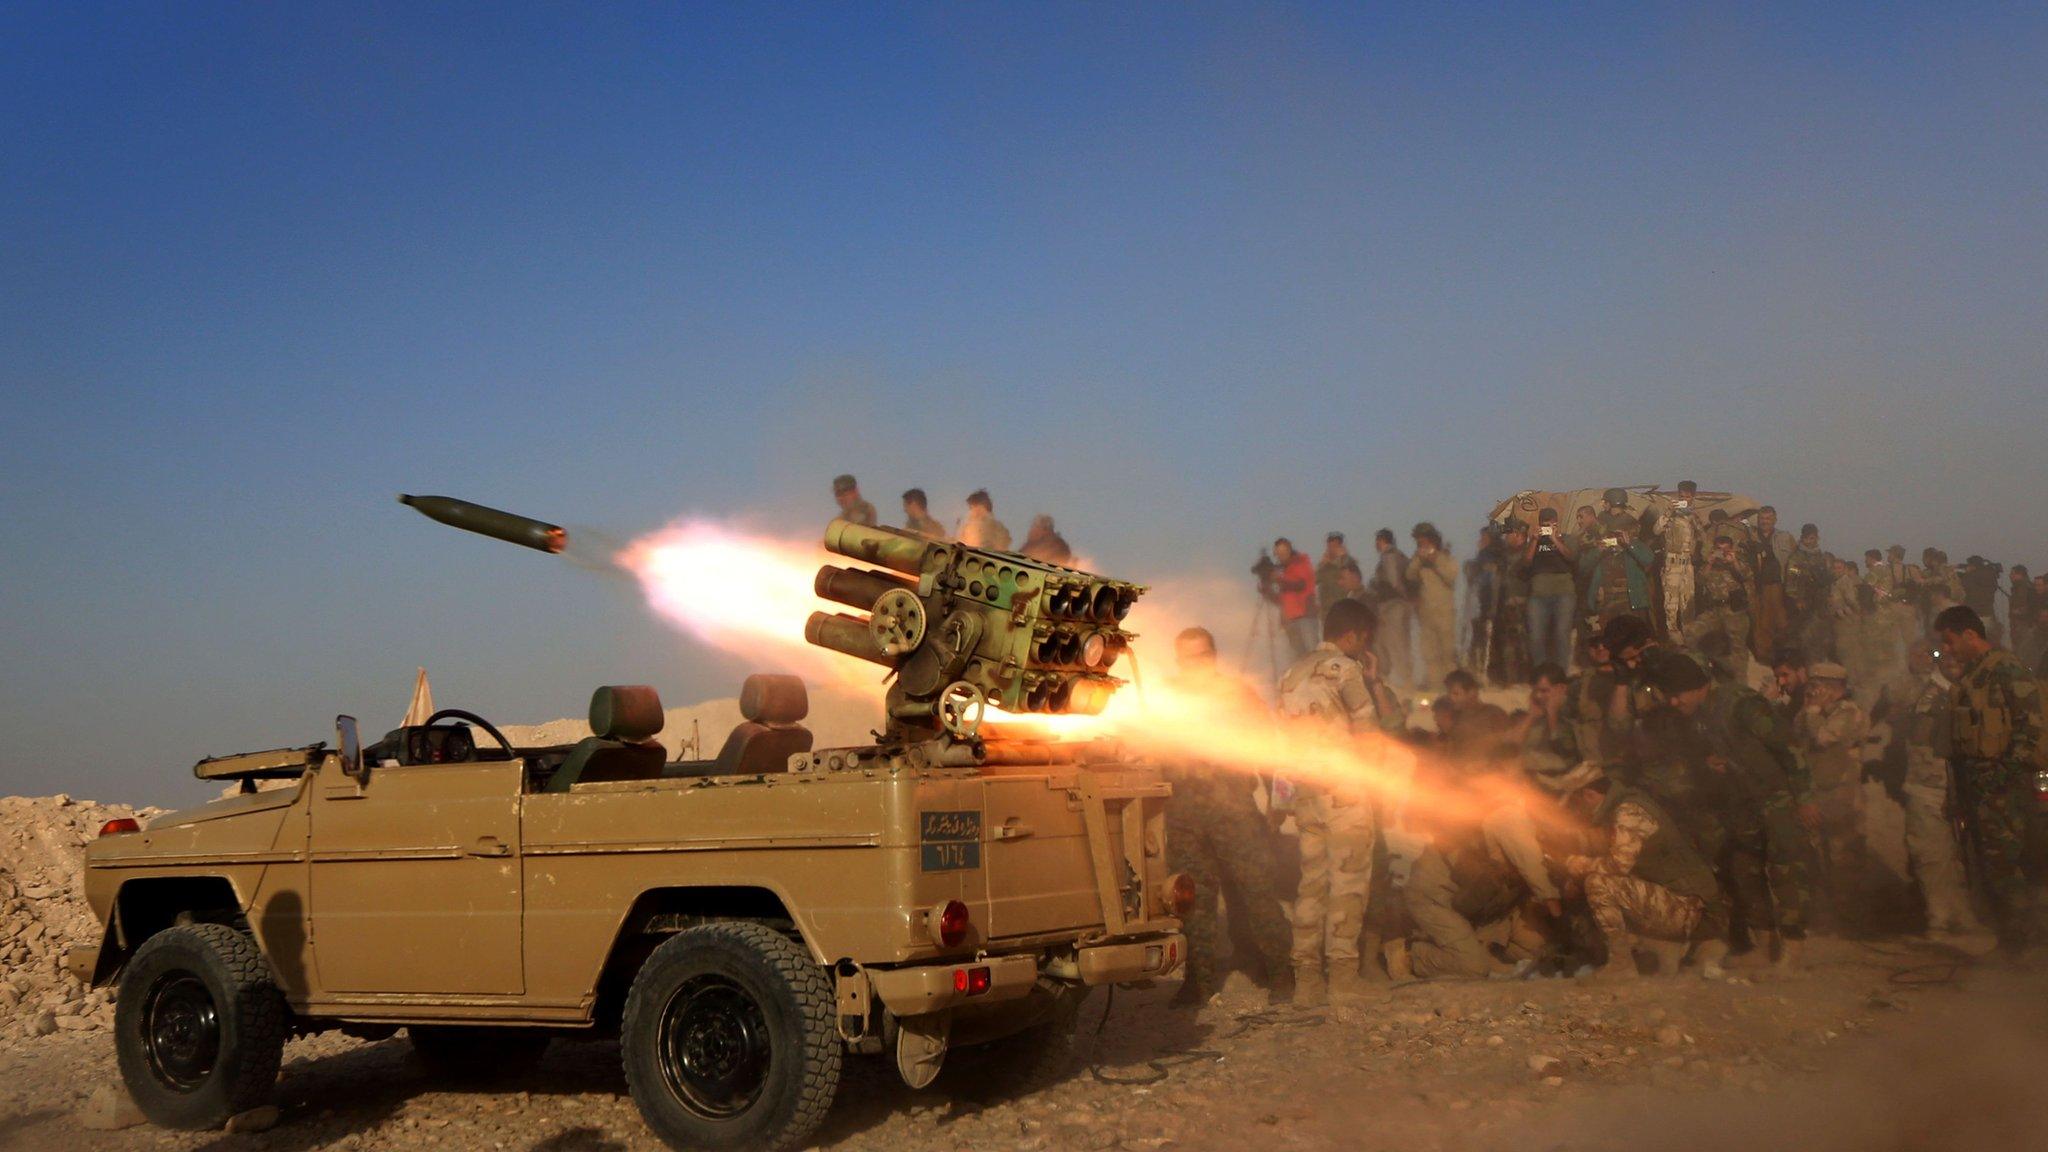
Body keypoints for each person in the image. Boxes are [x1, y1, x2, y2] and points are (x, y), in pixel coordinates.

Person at [1275, 598, 1403, 1006]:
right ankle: (1344, 979)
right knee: (1348, 882)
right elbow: (1368, 735)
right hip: (1344, 792)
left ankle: (1307, 981)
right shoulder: (1345, 669)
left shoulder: (1290, 674)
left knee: (1311, 885)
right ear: (1356, 635)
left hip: (1307, 793)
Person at [1164, 627, 1294, 1006]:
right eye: (1189, 658)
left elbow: (1270, 749)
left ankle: (1280, 974)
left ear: (1215, 655)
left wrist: (1278, 800)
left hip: (1234, 812)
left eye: (1203, 656)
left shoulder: (1239, 696)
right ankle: (1199, 983)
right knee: (1194, 900)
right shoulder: (1166, 699)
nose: (1196, 664)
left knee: (1257, 892)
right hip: (1184, 816)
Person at [1682, 635, 1813, 970]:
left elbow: (1787, 747)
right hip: (1741, 801)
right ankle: (1766, 943)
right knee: (1744, 869)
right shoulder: (1699, 715)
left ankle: (1793, 947)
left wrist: (1805, 798)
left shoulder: (1740, 703)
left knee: (1785, 870)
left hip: (1775, 797)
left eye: (1678, 690)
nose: (1673, 699)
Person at [1934, 605, 2043, 957]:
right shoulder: (1973, 676)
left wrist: (2001, 777)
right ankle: (2012, 943)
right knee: (1990, 868)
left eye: (1950, 642)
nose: (1947, 650)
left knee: (2009, 868)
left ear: (1970, 634)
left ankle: (2025, 948)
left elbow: (2032, 729)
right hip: (1978, 788)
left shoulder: (2006, 669)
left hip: (2005, 790)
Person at [1561, 759, 1731, 980]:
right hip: (1683, 900)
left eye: (1576, 800)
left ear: (1589, 795)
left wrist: (1580, 866)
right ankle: (1661, 951)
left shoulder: (1629, 811)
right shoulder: (1622, 808)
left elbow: (1618, 865)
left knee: (1598, 883)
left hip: (1693, 907)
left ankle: (1622, 965)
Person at [1871, 638, 1992, 944]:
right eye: (1945, 657)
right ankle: (1939, 918)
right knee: (1931, 855)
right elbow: (1899, 712)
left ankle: (1966, 915)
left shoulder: (1974, 689)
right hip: (1928, 785)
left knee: (1965, 855)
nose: (1952, 663)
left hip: (1965, 787)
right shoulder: (1921, 691)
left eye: (1957, 658)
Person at [1793, 662, 1869, 930]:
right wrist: (1808, 711)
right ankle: (1822, 916)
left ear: (1836, 689)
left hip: (1841, 796)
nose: (1812, 690)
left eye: (1818, 685)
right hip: (1815, 794)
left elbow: (1824, 738)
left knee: (1842, 859)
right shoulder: (1811, 712)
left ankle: (1850, 919)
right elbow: (1796, 739)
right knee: (1813, 856)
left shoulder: (1849, 712)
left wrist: (1812, 712)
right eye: (1811, 684)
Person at [1522, 508, 1577, 672]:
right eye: (1543, 525)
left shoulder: (1567, 539)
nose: (1546, 527)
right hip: (1538, 592)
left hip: (1564, 591)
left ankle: (1561, 674)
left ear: (1556, 523)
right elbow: (1526, 563)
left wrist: (1554, 538)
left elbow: (1571, 556)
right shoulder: (1534, 541)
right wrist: (1533, 541)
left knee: (1562, 635)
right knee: (1536, 636)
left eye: (1549, 524)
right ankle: (1541, 674)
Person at [1405, 522, 1460, 688]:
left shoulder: (1446, 557)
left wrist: (1435, 560)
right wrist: (1418, 560)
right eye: (1419, 542)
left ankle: (1452, 685)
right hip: (1425, 613)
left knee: (1447, 652)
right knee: (1429, 652)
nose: (1421, 545)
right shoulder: (1418, 559)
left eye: (1423, 541)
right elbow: (1410, 576)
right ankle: (1436, 685)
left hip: (1444, 611)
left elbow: (1451, 576)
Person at [1578, 512, 1655, 627]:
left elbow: (1648, 559)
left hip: (1633, 605)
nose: (1614, 537)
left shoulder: (1634, 546)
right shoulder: (1602, 551)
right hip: (1608, 607)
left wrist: (1629, 545)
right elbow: (1583, 568)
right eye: (1611, 534)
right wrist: (1598, 551)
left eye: (1618, 534)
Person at [1368, 529, 1416, 691]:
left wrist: (1403, 598)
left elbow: (1394, 581)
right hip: (1396, 605)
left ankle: (1406, 681)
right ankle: (1403, 679)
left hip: (1392, 605)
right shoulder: (1400, 556)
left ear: (1381, 541)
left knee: (1394, 643)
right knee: (1394, 642)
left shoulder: (1389, 556)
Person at [1747, 505, 1795, 659]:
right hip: (1756, 584)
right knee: (1760, 622)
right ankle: (1764, 657)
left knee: (1782, 621)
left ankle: (1784, 655)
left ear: (1775, 519)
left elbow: (1794, 560)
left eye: (1768, 518)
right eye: (1762, 518)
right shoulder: (1749, 535)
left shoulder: (1785, 537)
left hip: (1778, 584)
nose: (1764, 521)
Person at [1489, 520, 1533, 685]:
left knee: (1524, 645)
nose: (1506, 537)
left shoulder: (1529, 553)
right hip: (1507, 605)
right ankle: (1511, 680)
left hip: (1524, 604)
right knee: (1508, 645)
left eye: (1509, 534)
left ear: (1518, 535)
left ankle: (1525, 680)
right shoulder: (1505, 556)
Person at [1658, 482, 1703, 637]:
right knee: (1671, 604)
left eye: (1687, 497)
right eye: (1681, 496)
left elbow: (1703, 536)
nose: (1684, 499)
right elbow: (1656, 529)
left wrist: (1691, 516)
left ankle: (1689, 637)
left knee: (1688, 603)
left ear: (1693, 497)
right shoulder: (1670, 514)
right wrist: (1669, 512)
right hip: (1673, 562)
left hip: (1687, 564)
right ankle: (1673, 636)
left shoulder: (1694, 516)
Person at [1269, 537, 1320, 658]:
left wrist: (1279, 579)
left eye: (1283, 552)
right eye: (1278, 553)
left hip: (1305, 616)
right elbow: (1283, 599)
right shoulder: (1285, 571)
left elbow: (1300, 585)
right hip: (1290, 619)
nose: (1281, 556)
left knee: (1313, 655)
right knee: (1298, 658)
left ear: (1289, 550)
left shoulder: (1301, 562)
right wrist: (1267, 592)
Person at [1315, 533, 1353, 620]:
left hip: (1343, 608)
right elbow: (1314, 580)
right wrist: (1322, 564)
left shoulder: (1348, 561)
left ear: (1341, 547)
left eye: (1334, 546)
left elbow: (1352, 580)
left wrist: (1343, 558)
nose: (1331, 549)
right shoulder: (1325, 565)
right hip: (1326, 610)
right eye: (1329, 546)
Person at [2008, 566, 2036, 657]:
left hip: (2023, 623)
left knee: (2022, 649)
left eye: (2013, 573)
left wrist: (2016, 612)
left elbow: (2028, 606)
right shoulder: (2021, 586)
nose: (2010, 576)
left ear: (2020, 574)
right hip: (2020, 623)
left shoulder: (2023, 587)